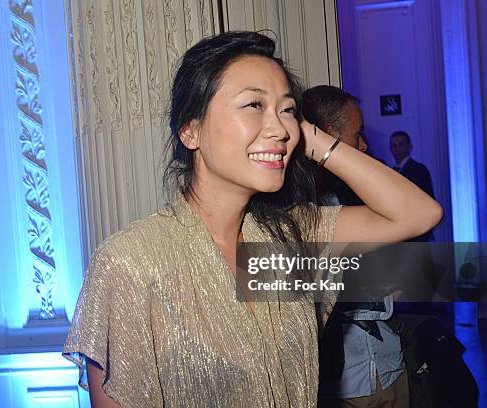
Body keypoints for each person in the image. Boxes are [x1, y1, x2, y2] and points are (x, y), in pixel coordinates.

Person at [63, 31, 442, 407]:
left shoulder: (292, 235)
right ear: (190, 130)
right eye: (253, 105)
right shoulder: (130, 262)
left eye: (287, 109)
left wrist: (308, 137)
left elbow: (418, 214)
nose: (279, 128)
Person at [303, 85, 409, 407]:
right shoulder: (293, 208)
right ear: (330, 136)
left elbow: (402, 268)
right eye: (358, 134)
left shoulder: (358, 195)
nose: (364, 145)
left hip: (390, 363)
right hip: (343, 383)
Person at [389, 131, 435, 241]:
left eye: (401, 144)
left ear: (409, 146)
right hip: (398, 232)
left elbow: (428, 201)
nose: (397, 149)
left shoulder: (419, 170)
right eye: (393, 145)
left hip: (416, 232)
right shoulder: (390, 171)